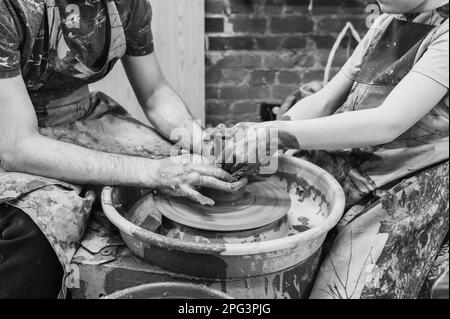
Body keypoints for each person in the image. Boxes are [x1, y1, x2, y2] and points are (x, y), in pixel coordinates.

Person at [0, 0, 243, 299]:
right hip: (13, 132)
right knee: (37, 232)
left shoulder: (128, 4)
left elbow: (155, 93)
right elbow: (18, 146)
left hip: (83, 115)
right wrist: (153, 172)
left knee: (194, 175)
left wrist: (201, 142)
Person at [222, 0, 449, 298]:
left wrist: (278, 135)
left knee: (342, 288)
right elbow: (325, 100)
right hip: (352, 158)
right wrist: (263, 130)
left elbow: (388, 122)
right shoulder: (386, 21)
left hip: (404, 180)